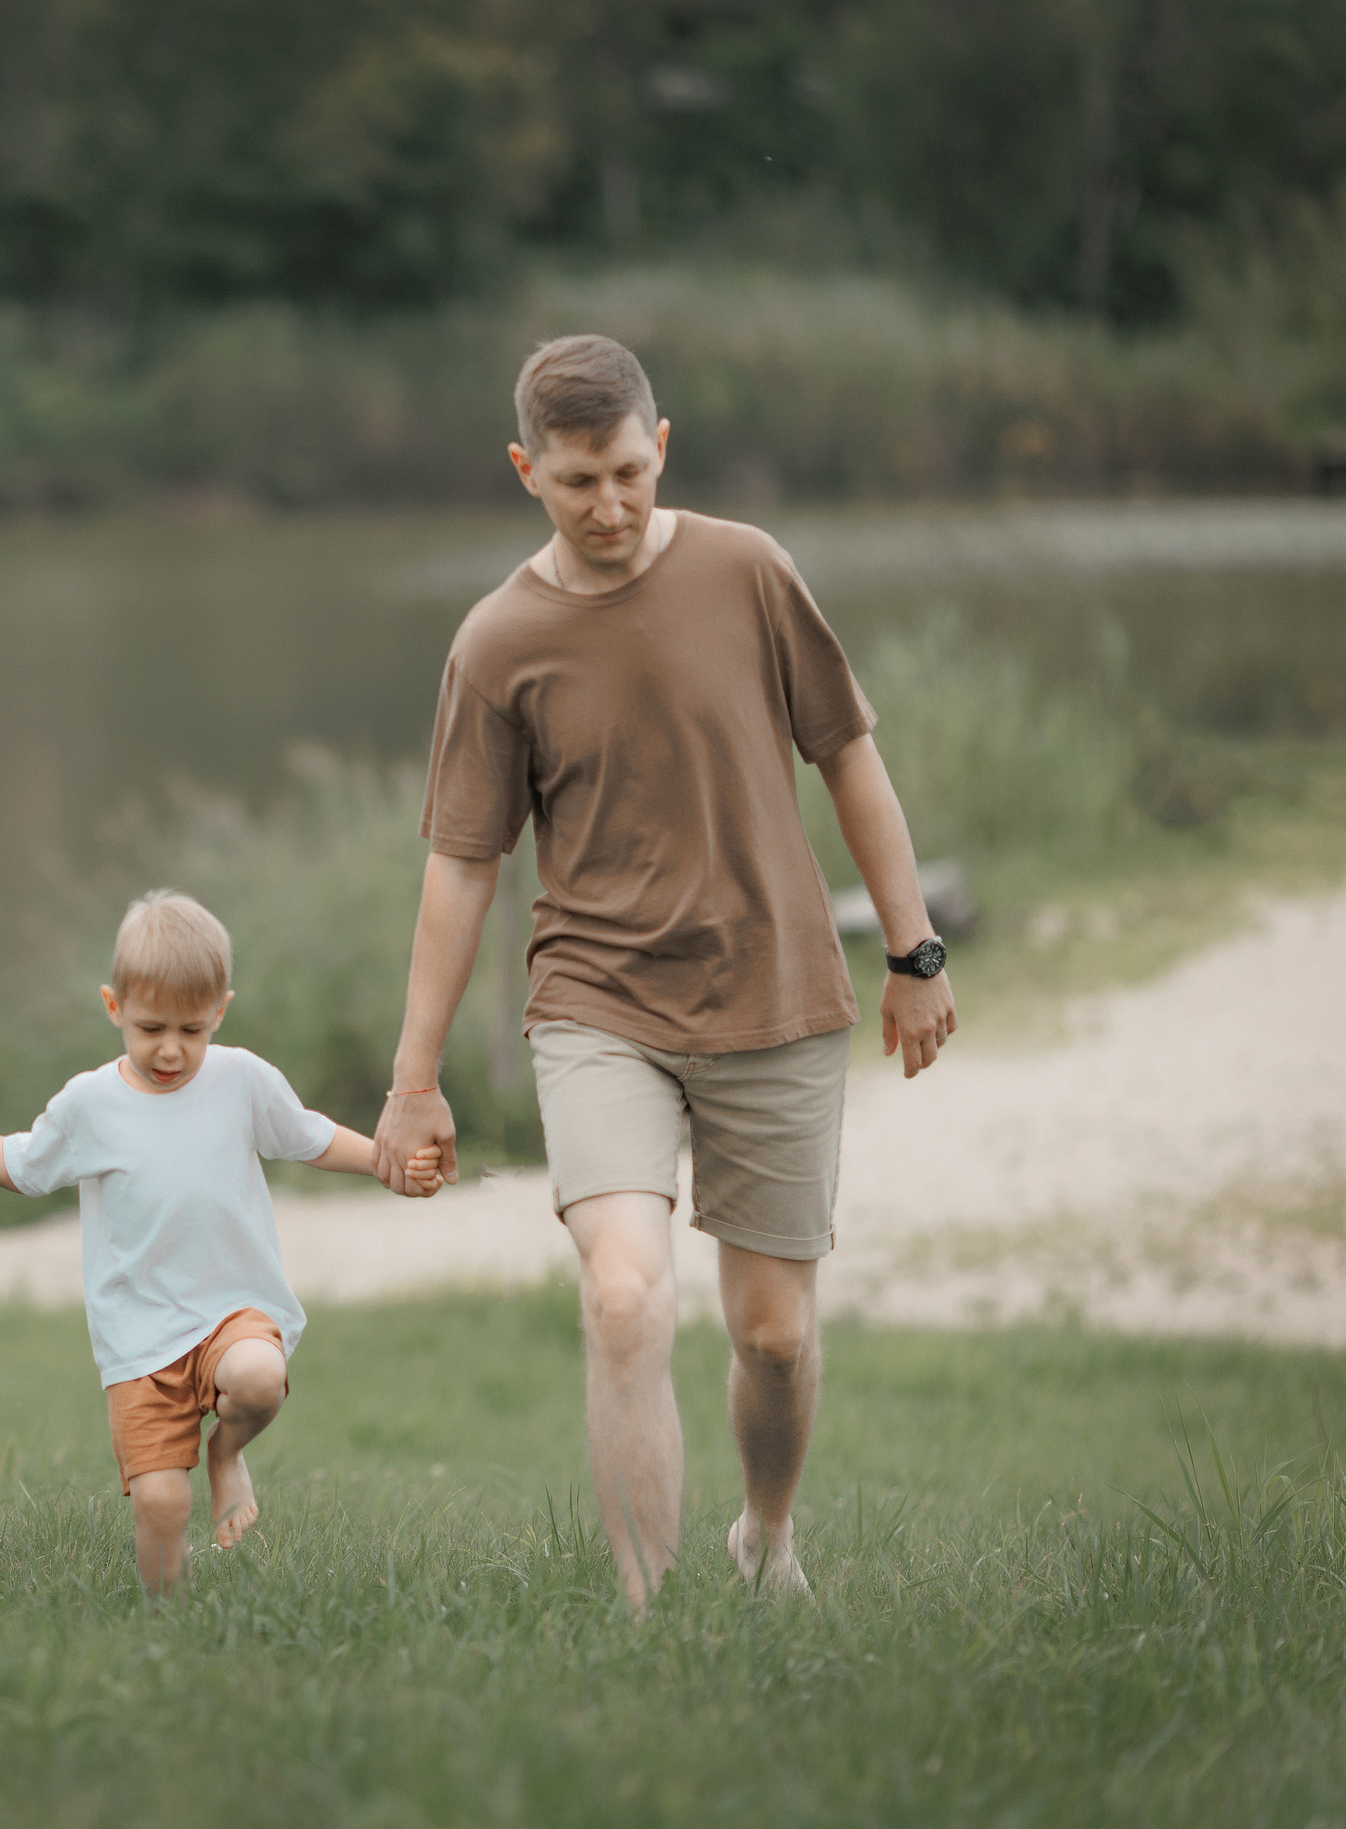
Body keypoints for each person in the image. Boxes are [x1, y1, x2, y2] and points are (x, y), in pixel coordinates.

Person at [372, 335, 957, 1611]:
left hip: (774, 991)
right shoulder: (495, 642)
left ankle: (766, 1536)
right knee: (626, 1297)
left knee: (773, 1336)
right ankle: (643, 1623)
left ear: (662, 445)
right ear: (526, 470)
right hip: (598, 1004)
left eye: (628, 472)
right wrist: (412, 1078)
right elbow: (461, 868)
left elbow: (847, 756)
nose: (609, 505)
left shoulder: (749, 571)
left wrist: (913, 951)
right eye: (577, 481)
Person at [0, 891, 442, 1596]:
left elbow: (310, 1135)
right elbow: (16, 1165)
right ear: (113, 1006)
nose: (173, 1048)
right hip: (139, 1339)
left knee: (259, 1376)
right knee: (160, 1504)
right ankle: (166, 1624)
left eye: (192, 1027)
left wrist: (386, 1162)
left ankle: (227, 1453)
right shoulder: (90, 1105)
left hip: (228, 1310)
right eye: (151, 1027)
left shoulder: (243, 1081)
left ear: (221, 1010)